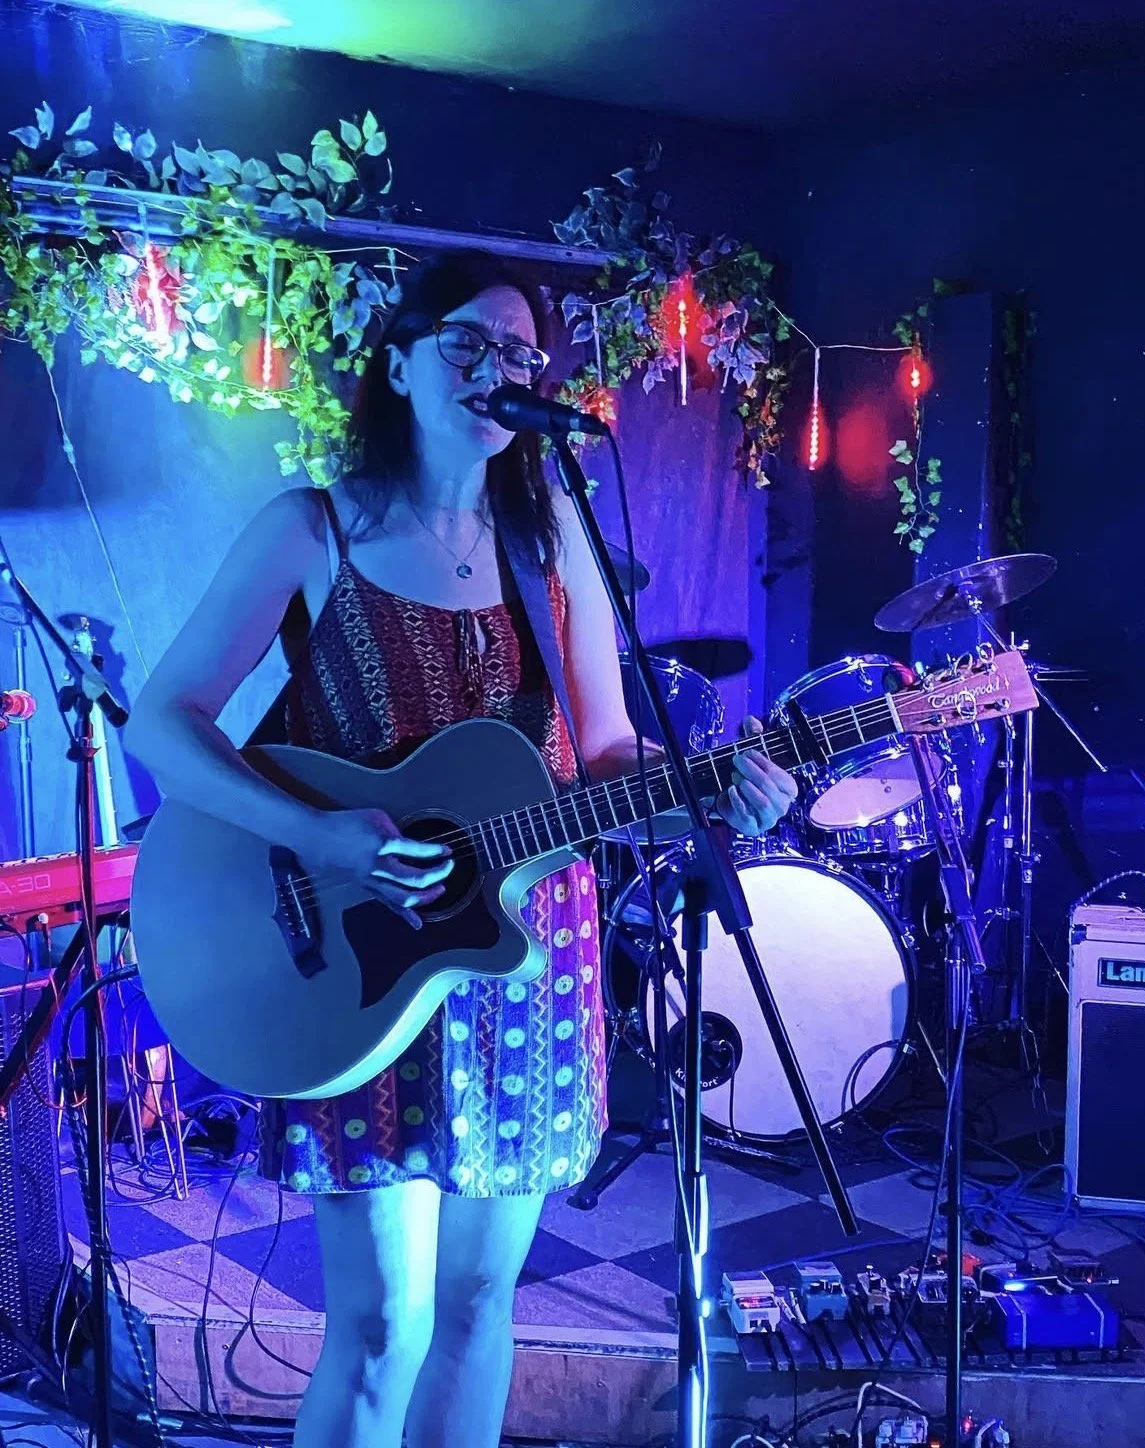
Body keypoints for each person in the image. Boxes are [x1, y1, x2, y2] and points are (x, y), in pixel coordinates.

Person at [125, 250, 798, 1448]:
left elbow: (603, 761)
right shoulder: (312, 529)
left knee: (485, 1300)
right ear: (398, 359)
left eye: (524, 354)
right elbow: (162, 721)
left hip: (531, 960)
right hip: (357, 952)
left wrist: (704, 797)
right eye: (470, 345)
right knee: (384, 1318)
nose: (502, 370)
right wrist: (316, 827)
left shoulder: (551, 550)